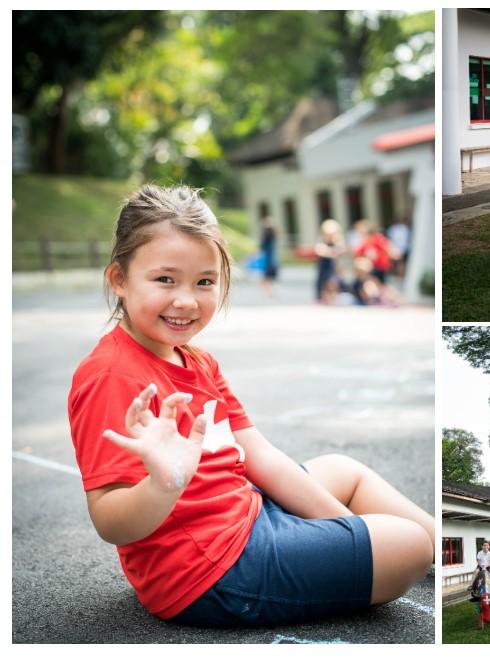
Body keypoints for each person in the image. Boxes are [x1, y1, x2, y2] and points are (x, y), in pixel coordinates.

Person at [67, 185, 434, 626]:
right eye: (165, 279)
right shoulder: (111, 374)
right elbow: (110, 520)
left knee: (345, 471)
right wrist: (163, 485)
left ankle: (453, 552)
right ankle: (420, 551)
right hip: (211, 570)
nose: (186, 300)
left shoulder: (196, 359)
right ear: (119, 279)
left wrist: (342, 531)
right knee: (410, 545)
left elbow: (258, 455)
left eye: (204, 282)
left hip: (244, 512)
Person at [353, 220, 394, 284]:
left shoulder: (377, 238)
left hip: (380, 268)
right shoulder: (364, 243)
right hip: (371, 269)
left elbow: (387, 249)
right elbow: (357, 254)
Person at [314, 218, 345, 304]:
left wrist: (329, 251)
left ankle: (333, 300)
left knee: (333, 284)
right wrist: (332, 252)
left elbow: (341, 251)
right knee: (323, 286)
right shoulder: (321, 242)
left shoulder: (338, 242)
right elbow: (320, 251)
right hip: (324, 269)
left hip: (334, 270)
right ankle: (323, 300)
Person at [259, 216, 278, 297]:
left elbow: (262, 247)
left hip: (268, 260)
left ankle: (269, 293)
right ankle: (270, 293)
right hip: (273, 259)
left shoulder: (266, 236)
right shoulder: (273, 236)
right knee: (269, 279)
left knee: (266, 278)